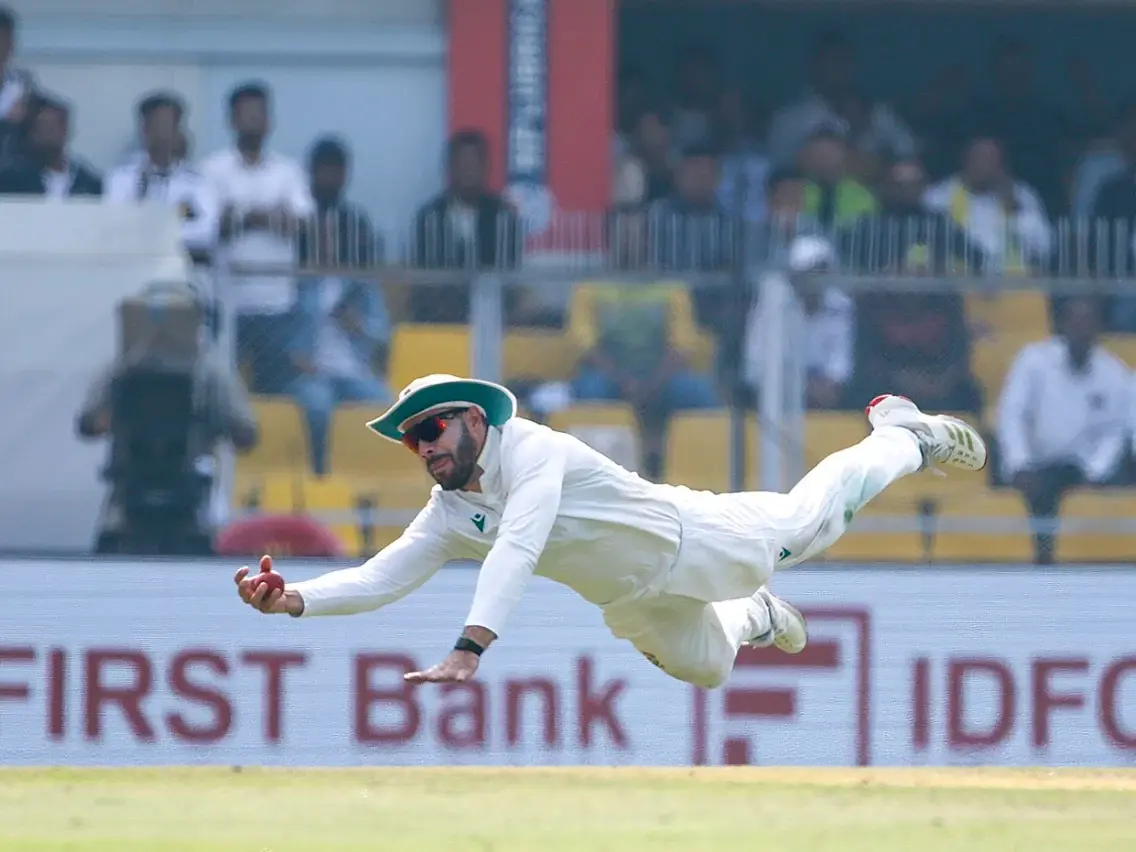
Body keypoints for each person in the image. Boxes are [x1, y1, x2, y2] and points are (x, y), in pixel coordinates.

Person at [235, 374, 986, 688]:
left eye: (432, 427)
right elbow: (381, 576)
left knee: (809, 523)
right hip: (636, 600)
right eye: (410, 439)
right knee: (709, 671)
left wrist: (470, 650)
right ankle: (754, 614)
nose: (424, 445)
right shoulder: (451, 513)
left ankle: (903, 435)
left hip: (695, 538)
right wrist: (291, 599)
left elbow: (521, 548)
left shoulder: (532, 448)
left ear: (473, 419)